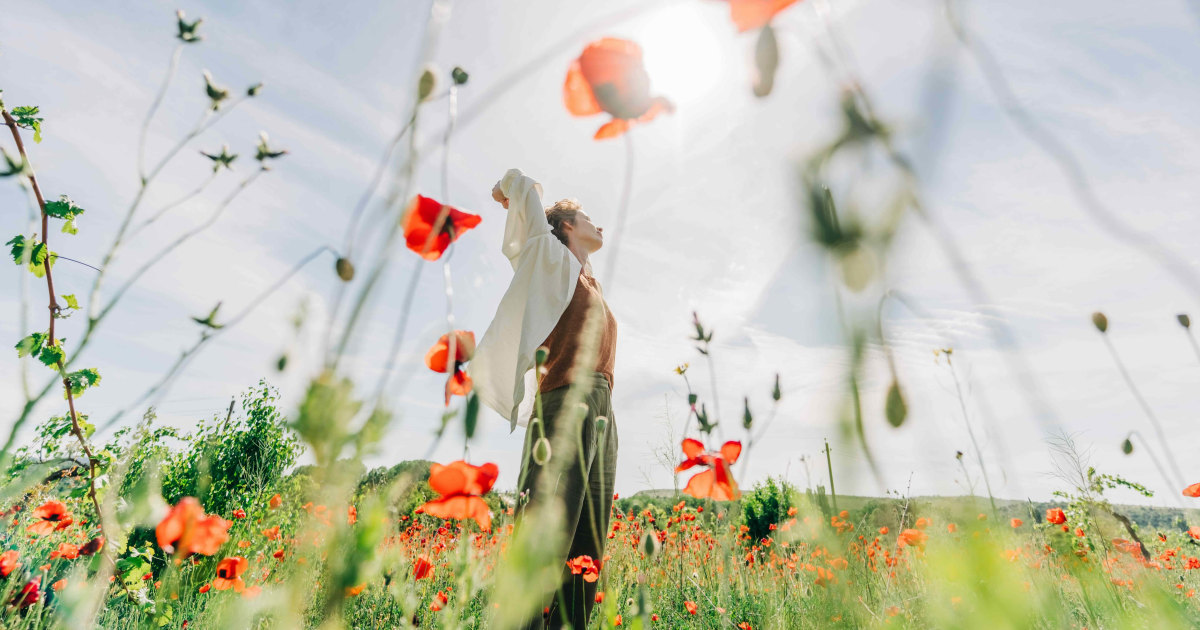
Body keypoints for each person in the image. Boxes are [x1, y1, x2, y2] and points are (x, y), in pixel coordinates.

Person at [467, 168, 618, 629]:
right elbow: (522, 185)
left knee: (588, 542)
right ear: (567, 225)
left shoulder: (589, 282)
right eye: (587, 217)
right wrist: (507, 188)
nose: (599, 224)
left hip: (602, 409)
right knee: (545, 529)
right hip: (564, 401)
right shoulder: (549, 258)